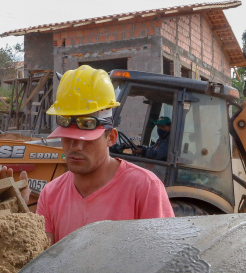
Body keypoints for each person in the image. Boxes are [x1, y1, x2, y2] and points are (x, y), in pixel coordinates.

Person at [35, 65, 174, 243]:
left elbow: (161, 254)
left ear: (111, 137)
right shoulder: (50, 194)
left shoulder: (144, 188)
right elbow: (43, 255)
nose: (76, 146)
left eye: (87, 138)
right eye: (68, 137)